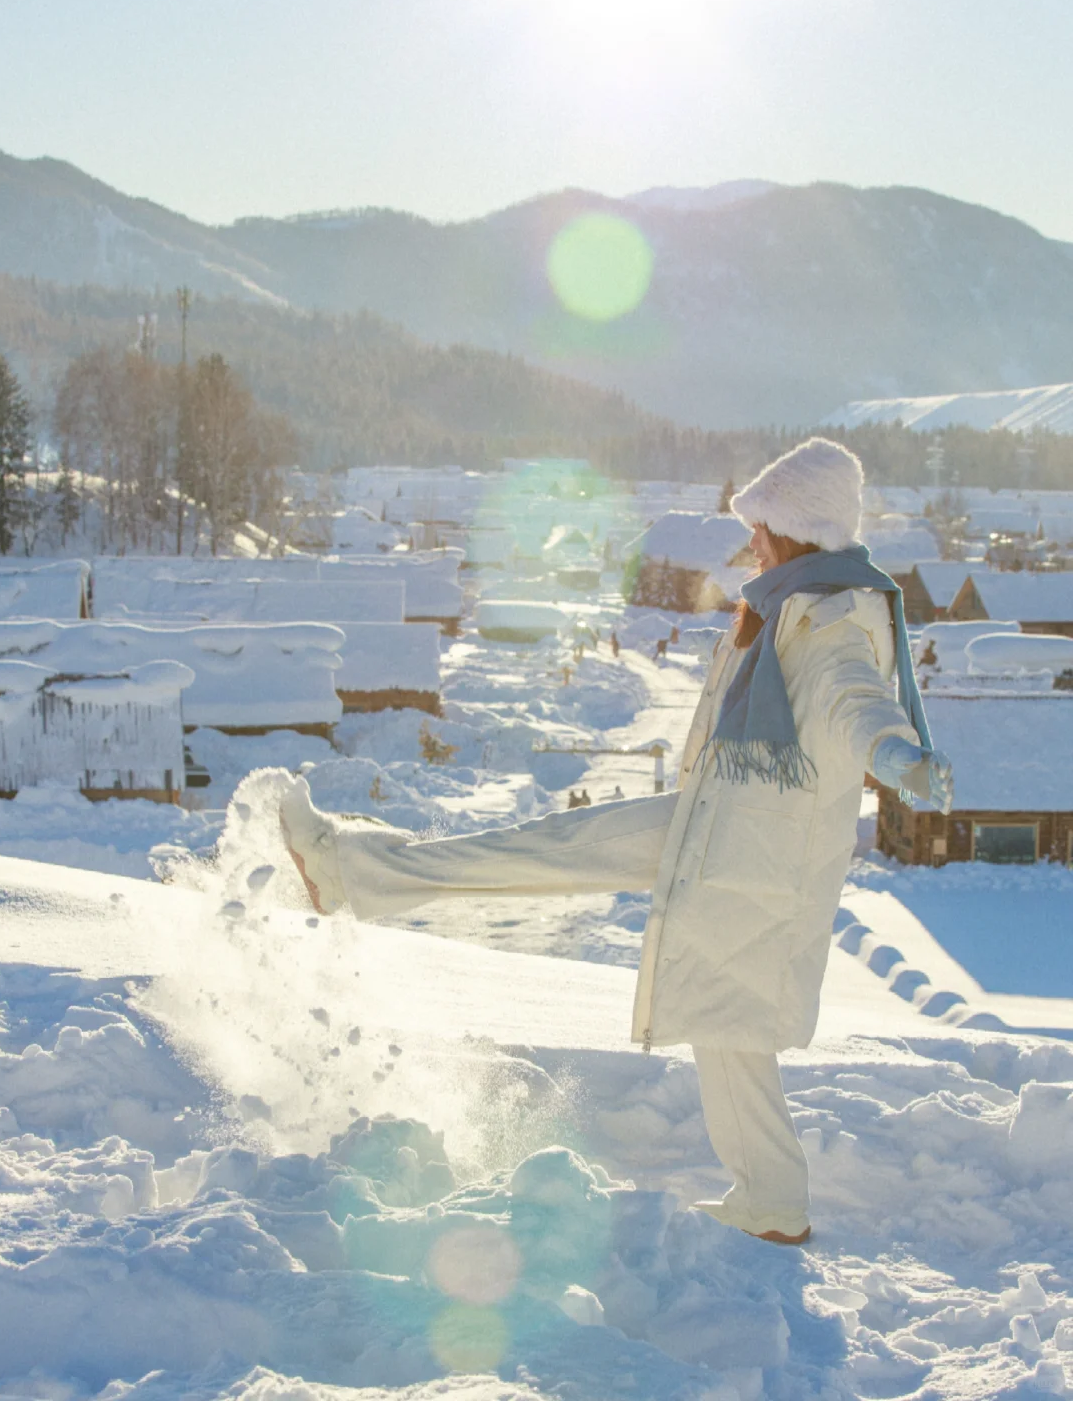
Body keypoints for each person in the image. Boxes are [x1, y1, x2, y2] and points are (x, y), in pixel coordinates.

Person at [279, 438, 952, 1247]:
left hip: (752, 855)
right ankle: (349, 872)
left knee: (730, 1032)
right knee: (552, 849)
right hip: (716, 823)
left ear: (796, 526)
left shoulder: (833, 619)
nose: (753, 541)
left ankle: (774, 1204)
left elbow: (854, 700)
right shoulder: (794, 601)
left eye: (763, 524)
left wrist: (896, 755)